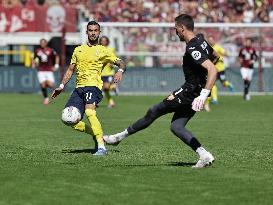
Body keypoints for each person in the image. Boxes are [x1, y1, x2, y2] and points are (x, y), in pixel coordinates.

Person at [104, 14, 218, 168]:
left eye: (176, 28)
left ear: (182, 28)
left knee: (154, 111)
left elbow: (212, 69)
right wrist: (201, 82)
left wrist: (202, 94)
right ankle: (204, 155)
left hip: (190, 92)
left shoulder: (192, 46)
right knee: (177, 126)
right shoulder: (201, 39)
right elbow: (215, 57)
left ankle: (119, 137)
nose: (175, 32)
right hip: (193, 91)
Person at [51, 21, 126, 156]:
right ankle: (98, 135)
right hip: (78, 88)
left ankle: (101, 148)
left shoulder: (103, 50)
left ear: (99, 32)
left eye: (95, 30)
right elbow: (70, 70)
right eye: (90, 30)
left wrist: (120, 70)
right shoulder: (78, 50)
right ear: (86, 32)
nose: (93, 32)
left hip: (93, 86)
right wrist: (61, 86)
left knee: (90, 113)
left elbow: (121, 62)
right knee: (69, 120)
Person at [204, 36, 234, 111]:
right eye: (209, 40)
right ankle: (215, 99)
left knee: (223, 83)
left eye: (211, 40)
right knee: (212, 84)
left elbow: (224, 52)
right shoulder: (208, 49)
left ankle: (229, 85)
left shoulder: (217, 47)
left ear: (214, 40)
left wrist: (226, 54)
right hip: (214, 69)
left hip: (220, 69)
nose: (210, 41)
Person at [32, 38, 60, 105]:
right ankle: (46, 98)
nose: (42, 44)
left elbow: (57, 56)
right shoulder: (37, 51)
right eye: (41, 43)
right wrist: (33, 64)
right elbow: (33, 58)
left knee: (50, 84)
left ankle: (55, 92)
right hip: (41, 70)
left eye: (43, 42)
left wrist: (56, 65)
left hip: (49, 70)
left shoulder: (50, 50)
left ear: (46, 43)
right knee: (42, 84)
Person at [99, 36, 118, 108]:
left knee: (106, 87)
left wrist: (112, 63)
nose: (103, 42)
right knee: (102, 89)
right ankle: (111, 102)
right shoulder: (98, 50)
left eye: (105, 40)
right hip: (100, 72)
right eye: (102, 40)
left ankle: (113, 86)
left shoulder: (111, 49)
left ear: (107, 41)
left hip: (109, 72)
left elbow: (114, 58)